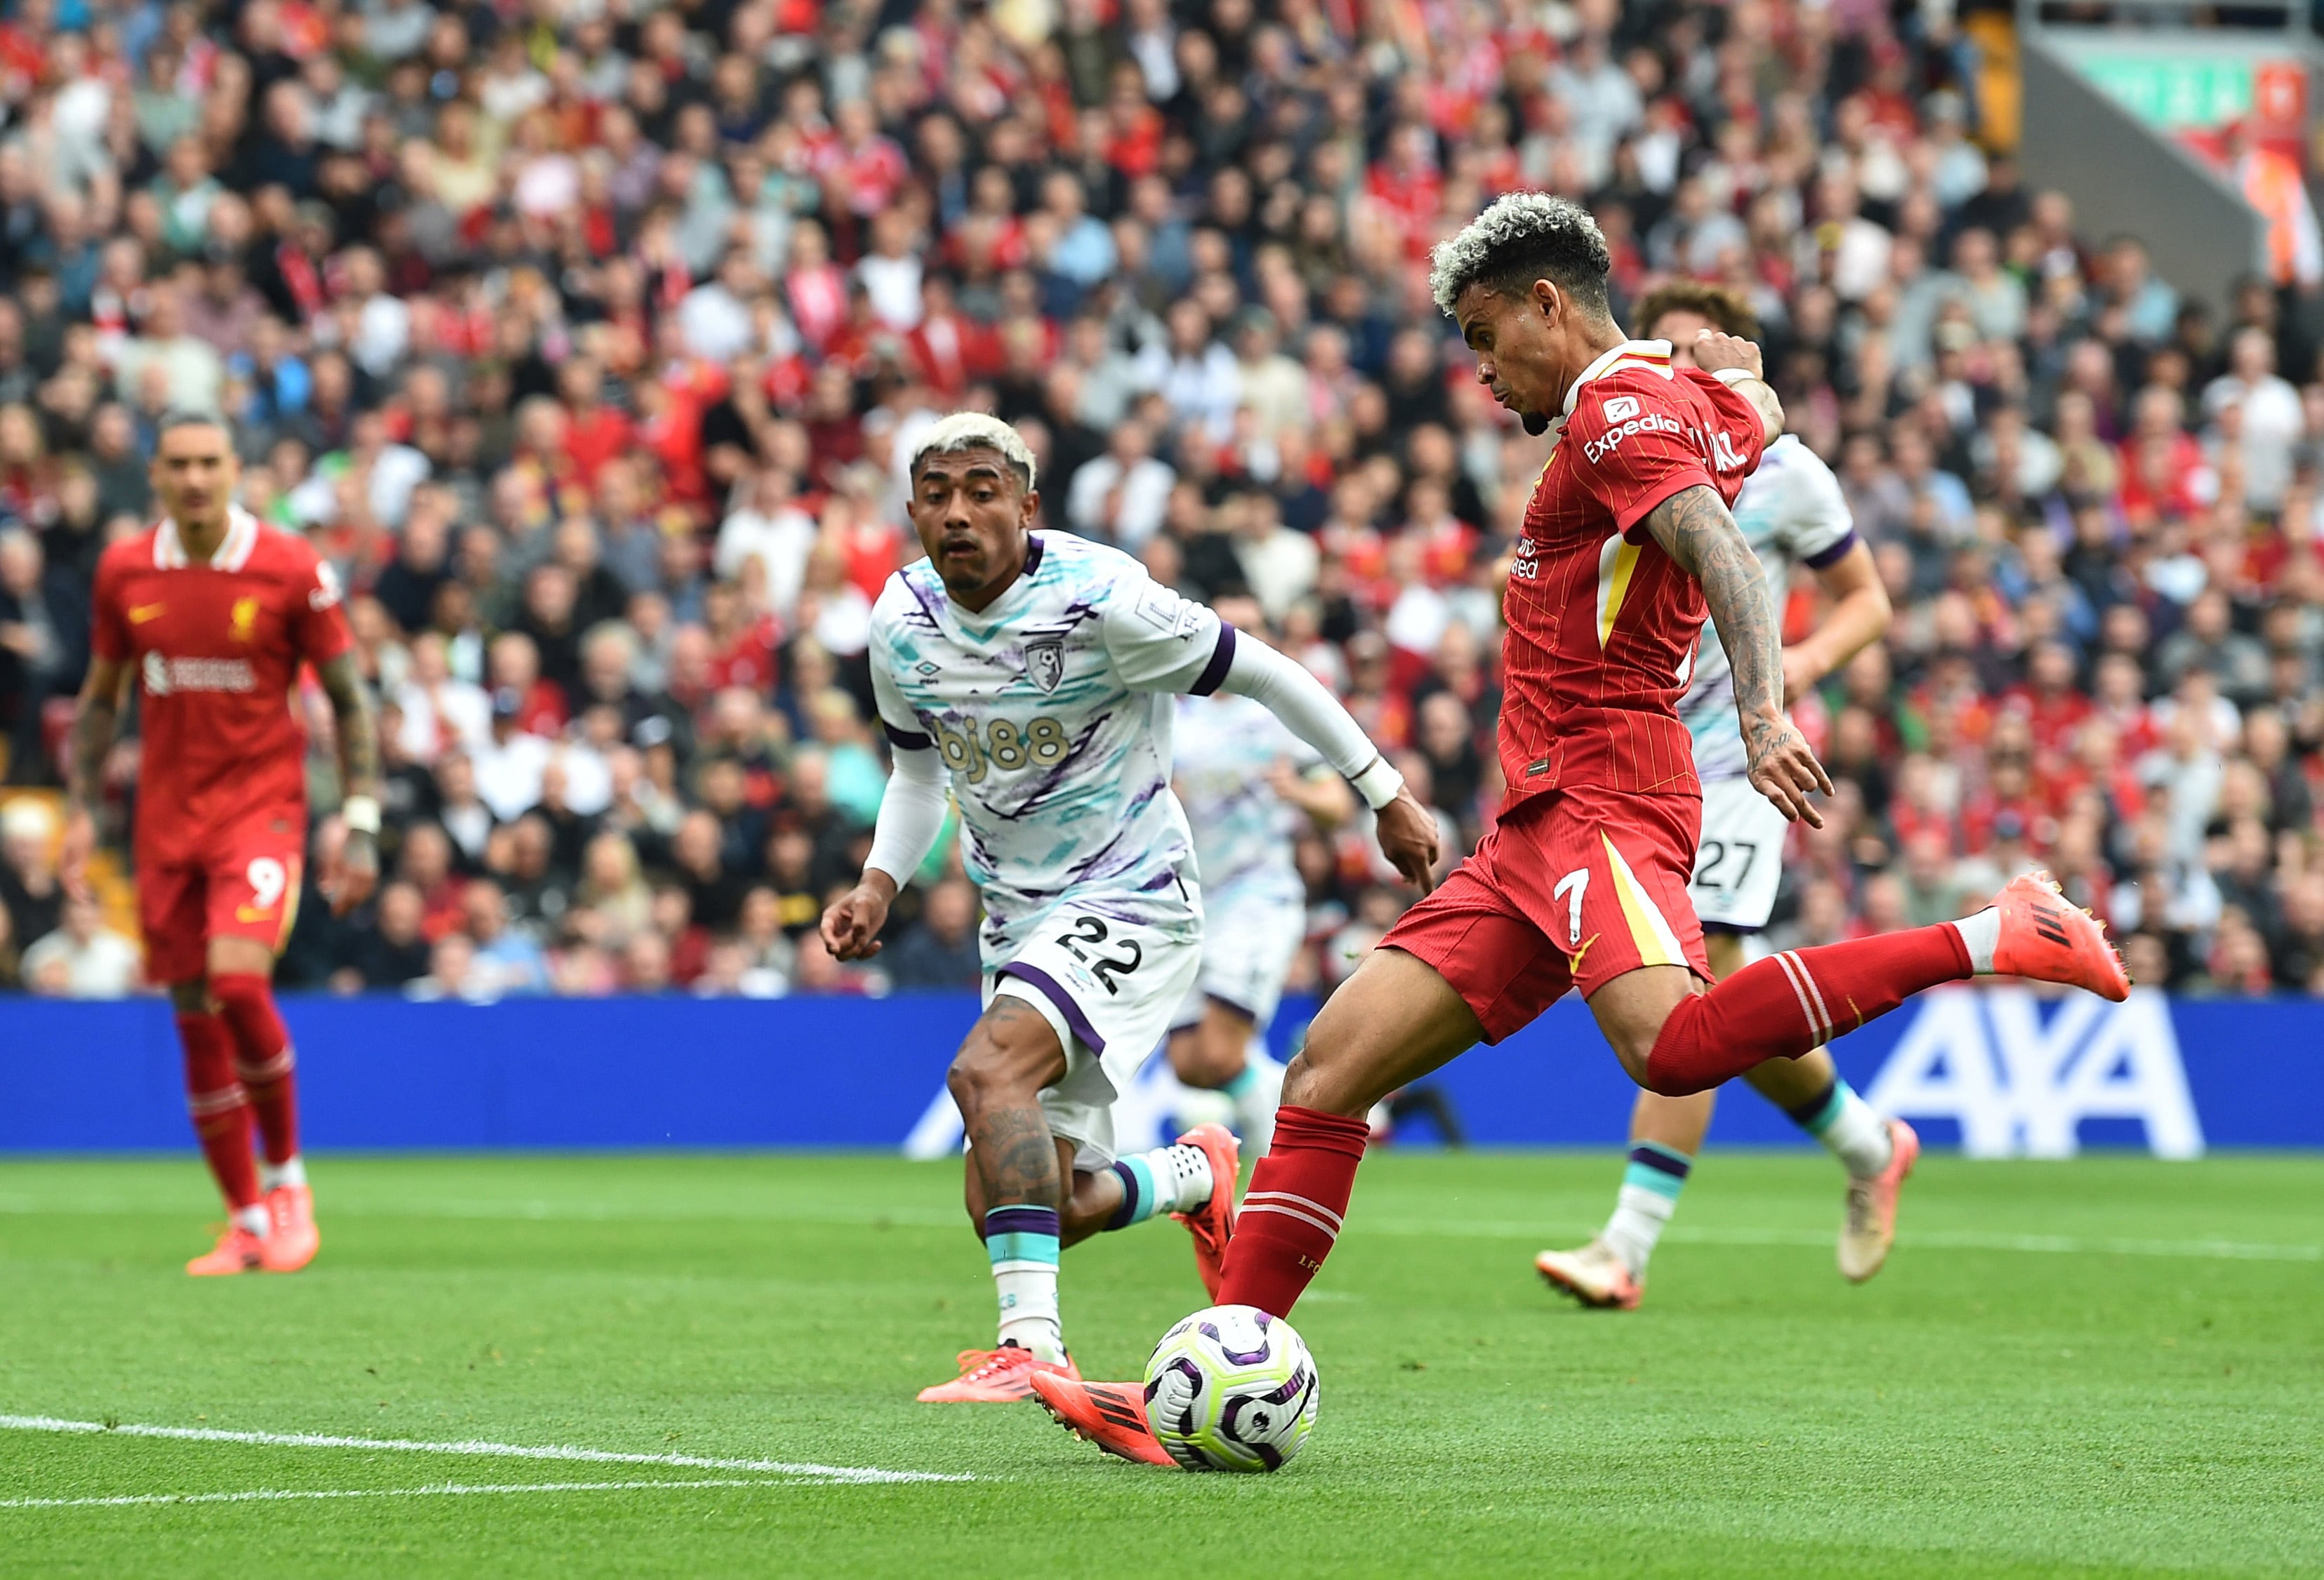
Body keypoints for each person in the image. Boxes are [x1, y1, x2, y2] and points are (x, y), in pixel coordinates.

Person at [1036, 193, 2127, 1464]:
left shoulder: (1613, 412)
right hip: (1534, 819)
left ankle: (1997, 933)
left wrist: (1766, 709)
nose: (1485, 373)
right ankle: (1223, 1359)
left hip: (1610, 787)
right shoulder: (1674, 405)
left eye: (1490, 336)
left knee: (1673, 1048)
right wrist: (1744, 380)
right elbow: (1747, 420)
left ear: (1550, 303)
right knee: (1327, 1071)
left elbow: (1721, 542)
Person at [819, 413, 1436, 1407]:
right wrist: (878, 882)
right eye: (935, 494)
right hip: (1016, 917)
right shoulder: (900, 623)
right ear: (911, 511)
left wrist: (1385, 793)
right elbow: (913, 773)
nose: (957, 513)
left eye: (982, 490)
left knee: (987, 1068)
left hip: (1132, 892)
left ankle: (1031, 1348)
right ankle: (1193, 1171)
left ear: (1027, 507)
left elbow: (1269, 672)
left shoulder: (1103, 600)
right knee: (1030, 1205)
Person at [1534, 281, 1904, 1312]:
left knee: (1693, 984)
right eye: (1676, 350)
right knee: (1713, 995)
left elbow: (1866, 600)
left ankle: (1626, 1243)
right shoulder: (1613, 444)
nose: (1689, 367)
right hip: (1631, 752)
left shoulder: (1786, 473)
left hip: (1737, 762)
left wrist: (1786, 676)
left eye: (1709, 350)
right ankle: (1870, 1143)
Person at [64, 411, 380, 1276]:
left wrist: (360, 815)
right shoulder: (125, 570)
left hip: (259, 813)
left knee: (239, 982)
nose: (197, 478)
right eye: (179, 464)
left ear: (236, 467)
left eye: (211, 462)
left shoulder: (289, 567)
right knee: (195, 1019)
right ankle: (243, 1219)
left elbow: (351, 699)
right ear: (154, 475)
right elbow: (100, 698)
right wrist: (82, 807)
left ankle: (287, 1182)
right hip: (165, 825)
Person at [1164, 592, 1356, 1162]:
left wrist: (1296, 791)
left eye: (1250, 627)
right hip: (1190, 902)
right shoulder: (1177, 715)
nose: (1238, 638)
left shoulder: (1279, 718)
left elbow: (1337, 804)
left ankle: (1292, 1157)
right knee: (1191, 1066)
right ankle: (1310, 1110)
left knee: (1221, 1055)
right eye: (1228, 628)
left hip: (1257, 895)